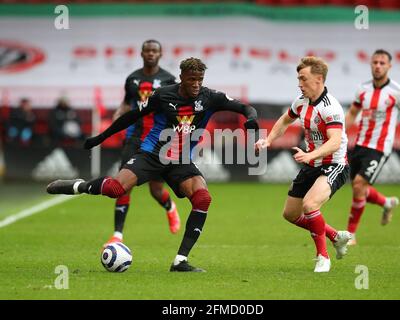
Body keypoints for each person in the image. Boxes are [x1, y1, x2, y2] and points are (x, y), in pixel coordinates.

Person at [46, 57, 259, 272]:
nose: (196, 84)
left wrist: (251, 120)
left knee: (203, 198)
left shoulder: (210, 97)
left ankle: (180, 261)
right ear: (182, 77)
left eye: (200, 79)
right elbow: (131, 117)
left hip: (180, 161)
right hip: (152, 155)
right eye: (192, 79)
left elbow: (245, 108)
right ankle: (78, 186)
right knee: (115, 189)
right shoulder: (162, 95)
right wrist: (100, 138)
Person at [255, 56, 352, 273]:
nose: (299, 83)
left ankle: (323, 257)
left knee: (310, 206)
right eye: (298, 78)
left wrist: (310, 155)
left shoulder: (331, 108)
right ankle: (336, 236)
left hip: (333, 164)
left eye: (303, 79)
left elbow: (335, 142)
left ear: (318, 79)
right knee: (290, 214)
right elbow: (284, 121)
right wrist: (268, 140)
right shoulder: (301, 101)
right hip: (312, 162)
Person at [106, 39, 180, 246]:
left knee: (156, 190)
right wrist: (118, 115)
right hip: (134, 137)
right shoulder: (132, 79)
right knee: (121, 186)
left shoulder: (169, 80)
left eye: (154, 50)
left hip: (157, 140)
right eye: (147, 50)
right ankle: (117, 236)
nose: (150, 53)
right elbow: (126, 103)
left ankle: (170, 208)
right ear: (141, 53)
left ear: (160, 54)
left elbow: (177, 107)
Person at [345, 49, 400, 245]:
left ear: (389, 66)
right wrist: (340, 133)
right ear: (370, 64)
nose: (378, 66)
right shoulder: (362, 89)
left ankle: (351, 234)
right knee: (357, 188)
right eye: (375, 62)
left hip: (380, 147)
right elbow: (352, 113)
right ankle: (386, 203)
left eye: (382, 63)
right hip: (360, 144)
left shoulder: (397, 92)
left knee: (360, 185)